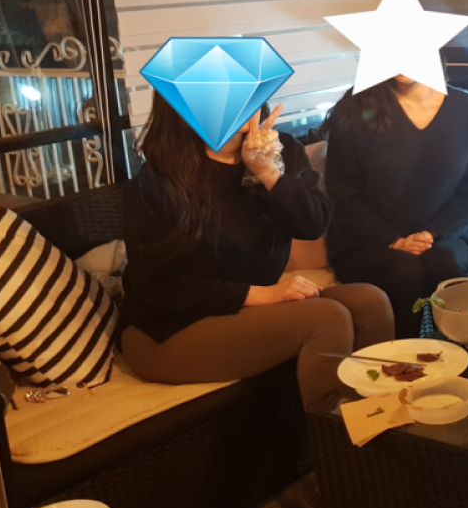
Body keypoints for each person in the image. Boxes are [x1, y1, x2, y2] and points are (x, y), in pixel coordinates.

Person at [120, 93, 394, 408]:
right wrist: (265, 294)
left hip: (246, 306)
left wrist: (268, 172)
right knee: (327, 319)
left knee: (371, 302)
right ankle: (332, 436)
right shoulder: (157, 182)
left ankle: (376, 420)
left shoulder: (282, 149)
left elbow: (313, 224)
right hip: (170, 326)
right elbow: (159, 285)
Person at [323, 74, 468, 338]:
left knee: (444, 264)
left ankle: (460, 353)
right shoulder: (354, 109)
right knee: (404, 270)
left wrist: (433, 233)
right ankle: (404, 358)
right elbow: (343, 194)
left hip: (448, 234)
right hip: (366, 241)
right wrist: (393, 240)